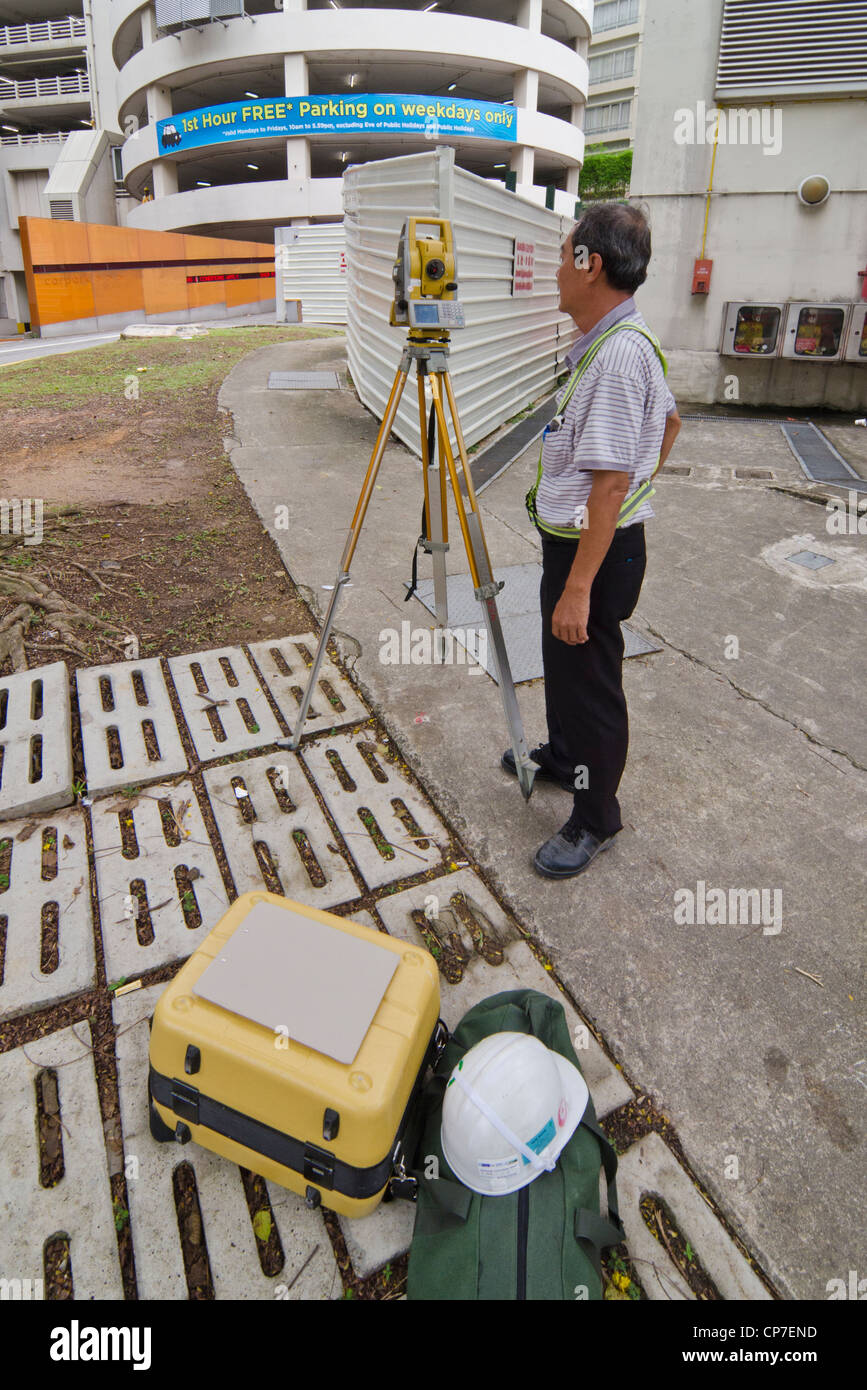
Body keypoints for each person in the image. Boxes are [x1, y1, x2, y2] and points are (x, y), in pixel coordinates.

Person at [503, 202, 681, 878]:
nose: (554, 272)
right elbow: (669, 425)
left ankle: (594, 817)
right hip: (588, 544)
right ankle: (560, 757)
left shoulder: (613, 358)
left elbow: (607, 486)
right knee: (565, 668)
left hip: (594, 555)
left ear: (590, 264)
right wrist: (635, 481)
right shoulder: (622, 339)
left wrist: (579, 583)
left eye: (561, 256)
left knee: (590, 682)